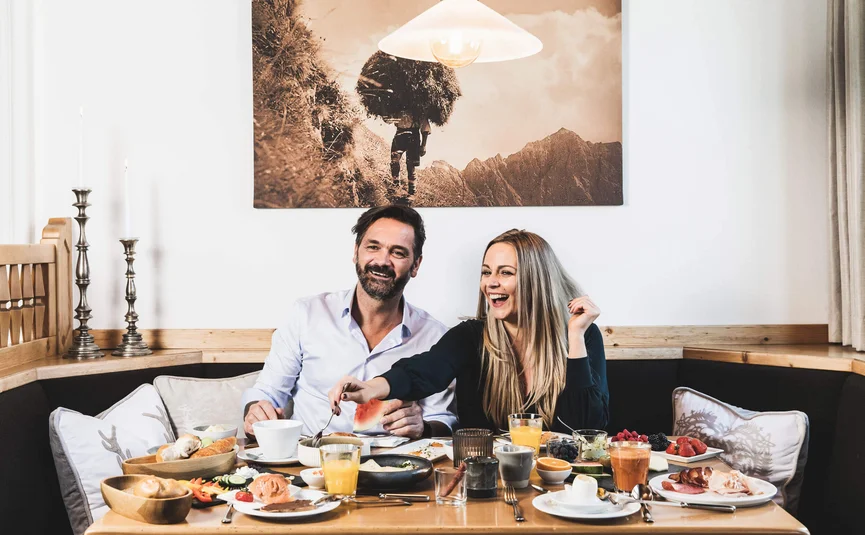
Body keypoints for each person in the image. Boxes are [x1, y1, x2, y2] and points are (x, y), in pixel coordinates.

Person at [327, 229, 609, 434]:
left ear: (536, 280)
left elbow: (585, 429)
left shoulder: (583, 337)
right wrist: (369, 388)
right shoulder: (471, 337)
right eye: (486, 272)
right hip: (488, 482)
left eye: (506, 273)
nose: (491, 283)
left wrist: (575, 339)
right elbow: (423, 372)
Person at [242, 205, 456, 439]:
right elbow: (267, 393)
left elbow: (442, 419)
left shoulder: (435, 336)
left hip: (395, 467)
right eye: (373, 247)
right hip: (309, 461)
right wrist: (255, 411)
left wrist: (423, 427)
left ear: (415, 265)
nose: (382, 261)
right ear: (356, 252)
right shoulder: (307, 314)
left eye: (398, 253)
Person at [390, 110, 431, 199]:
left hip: (413, 137)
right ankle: (396, 187)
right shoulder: (398, 107)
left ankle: (411, 193)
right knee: (394, 161)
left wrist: (423, 145)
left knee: (411, 165)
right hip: (399, 136)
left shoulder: (419, 108)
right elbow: (389, 119)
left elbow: (425, 129)